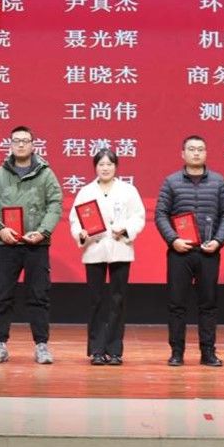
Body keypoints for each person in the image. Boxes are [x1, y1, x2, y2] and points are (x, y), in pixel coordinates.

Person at [0, 125, 64, 365]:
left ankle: (41, 345)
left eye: (25, 140)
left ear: (33, 145)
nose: (20, 144)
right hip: (7, 244)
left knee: (38, 295)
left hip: (37, 244)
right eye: (16, 140)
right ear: (10, 145)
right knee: (3, 295)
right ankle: (0, 345)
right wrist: (0, 228)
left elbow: (55, 204)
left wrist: (43, 231)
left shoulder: (46, 174)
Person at [154, 135, 224, 367]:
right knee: (177, 304)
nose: (196, 153)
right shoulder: (171, 182)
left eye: (200, 149)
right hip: (180, 252)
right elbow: (161, 214)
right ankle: (177, 352)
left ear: (206, 153)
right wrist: (173, 240)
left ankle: (208, 352)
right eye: (191, 149)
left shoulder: (219, 181)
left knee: (208, 304)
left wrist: (218, 241)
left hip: (209, 252)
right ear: (183, 153)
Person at [68, 148, 146, 366]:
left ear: (116, 167)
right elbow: (75, 219)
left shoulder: (128, 190)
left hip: (120, 247)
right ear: (95, 167)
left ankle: (115, 350)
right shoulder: (85, 191)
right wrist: (81, 233)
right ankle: (96, 350)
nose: (105, 168)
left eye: (109, 164)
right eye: (101, 164)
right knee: (96, 300)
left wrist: (126, 229)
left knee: (117, 299)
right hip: (94, 248)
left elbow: (138, 217)